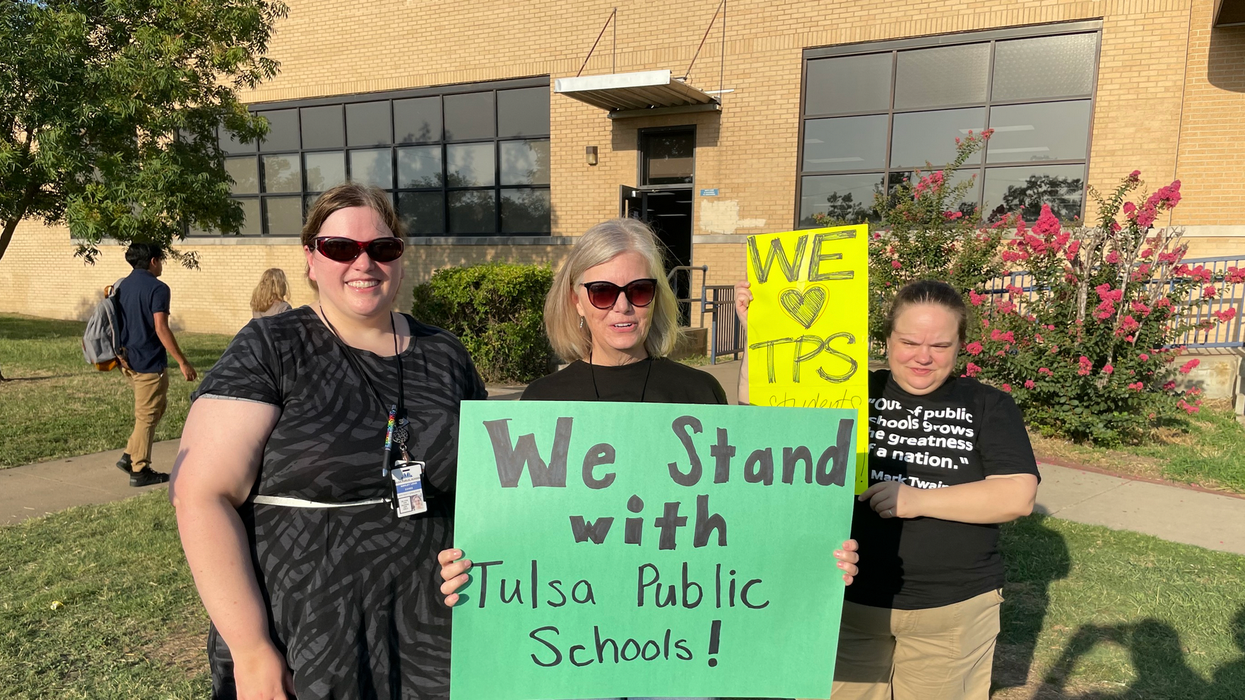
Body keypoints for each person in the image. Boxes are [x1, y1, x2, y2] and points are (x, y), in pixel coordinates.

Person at [437, 218, 860, 700]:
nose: (622, 306)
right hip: (572, 652)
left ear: (655, 298)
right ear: (576, 300)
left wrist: (813, 557)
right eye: (602, 292)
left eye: (639, 290)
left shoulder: (697, 392)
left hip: (679, 654)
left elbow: (745, 511)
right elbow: (518, 529)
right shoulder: (541, 403)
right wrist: (470, 566)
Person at [170, 182, 487, 700]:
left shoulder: (445, 354)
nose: (364, 263)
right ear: (311, 259)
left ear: (400, 257)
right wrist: (251, 649)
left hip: (434, 630)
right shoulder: (271, 347)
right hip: (308, 633)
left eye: (382, 247)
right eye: (340, 247)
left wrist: (479, 553)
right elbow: (200, 494)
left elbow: (488, 486)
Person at [734, 278, 1039, 700]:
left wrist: (916, 499)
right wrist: (761, 334)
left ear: (960, 346)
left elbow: (1018, 495)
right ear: (887, 339)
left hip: (953, 611)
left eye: (940, 345)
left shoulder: (988, 405)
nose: (923, 357)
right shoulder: (850, 392)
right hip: (845, 606)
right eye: (909, 342)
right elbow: (763, 419)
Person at [113, 242, 198, 487]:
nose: (162, 265)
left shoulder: (123, 285)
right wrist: (182, 362)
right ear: (153, 261)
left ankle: (129, 455)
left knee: (156, 408)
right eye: (161, 260)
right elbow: (161, 328)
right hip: (148, 362)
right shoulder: (158, 288)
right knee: (148, 415)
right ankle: (140, 469)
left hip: (128, 360)